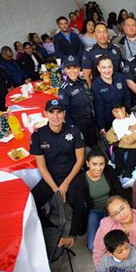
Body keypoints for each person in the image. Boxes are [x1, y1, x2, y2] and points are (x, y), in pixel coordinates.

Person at [30, 99, 85, 247]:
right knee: (32, 201)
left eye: (59, 112)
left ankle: (74, 232)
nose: (55, 116)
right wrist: (56, 190)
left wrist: (66, 184)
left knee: (77, 198)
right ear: (45, 114)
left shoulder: (74, 130)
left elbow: (80, 160)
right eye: (51, 112)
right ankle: (49, 228)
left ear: (64, 113)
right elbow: (41, 166)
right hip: (52, 176)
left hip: (72, 173)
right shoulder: (38, 135)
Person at [84, 148, 125, 252]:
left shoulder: (109, 171)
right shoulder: (82, 179)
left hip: (111, 208)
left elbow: (119, 189)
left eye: (101, 164)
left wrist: (120, 208)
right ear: (87, 164)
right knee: (92, 246)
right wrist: (72, 234)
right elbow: (77, 207)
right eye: (94, 164)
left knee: (120, 242)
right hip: (94, 211)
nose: (98, 168)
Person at [106, 104, 136, 184]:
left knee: (132, 156)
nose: (116, 115)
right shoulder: (117, 123)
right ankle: (118, 174)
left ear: (123, 109)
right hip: (122, 145)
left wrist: (133, 137)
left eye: (117, 111)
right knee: (118, 154)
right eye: (114, 114)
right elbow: (109, 134)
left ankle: (127, 175)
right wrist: (118, 138)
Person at [58, 55, 97, 147]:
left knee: (94, 144)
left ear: (79, 68)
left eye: (75, 67)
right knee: (82, 147)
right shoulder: (64, 88)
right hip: (78, 124)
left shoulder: (83, 82)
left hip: (90, 119)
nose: (72, 71)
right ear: (65, 70)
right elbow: (65, 111)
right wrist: (71, 128)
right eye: (68, 68)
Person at [92, 56, 131, 135]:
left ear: (113, 67)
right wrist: (102, 127)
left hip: (124, 118)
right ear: (98, 68)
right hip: (109, 123)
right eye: (103, 67)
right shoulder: (96, 85)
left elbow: (127, 97)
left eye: (109, 67)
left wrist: (127, 113)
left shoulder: (120, 78)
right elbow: (99, 108)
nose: (107, 70)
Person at [82, 22, 123, 87]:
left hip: (118, 86)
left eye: (104, 32)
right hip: (100, 89)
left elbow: (122, 69)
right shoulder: (89, 53)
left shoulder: (116, 49)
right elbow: (87, 76)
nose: (102, 35)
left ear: (107, 33)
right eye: (99, 32)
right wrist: (90, 94)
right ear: (95, 34)